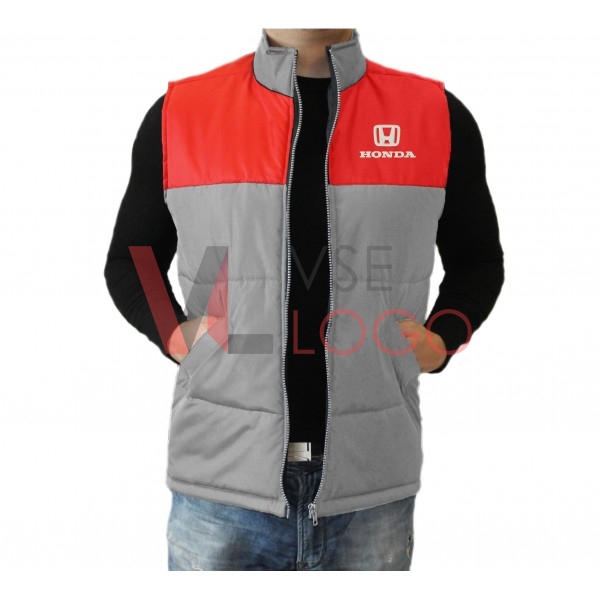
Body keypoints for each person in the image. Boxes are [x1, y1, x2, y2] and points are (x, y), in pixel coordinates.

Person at [104, 28, 504, 570]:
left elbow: (478, 260)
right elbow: (134, 257)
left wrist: (442, 340)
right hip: (221, 483)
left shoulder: (433, 114)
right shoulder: (183, 112)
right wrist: (177, 337)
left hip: (371, 483)